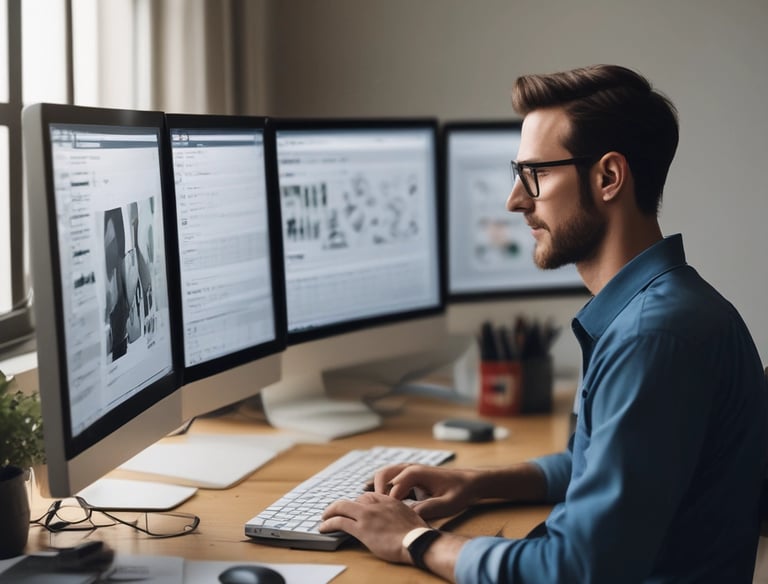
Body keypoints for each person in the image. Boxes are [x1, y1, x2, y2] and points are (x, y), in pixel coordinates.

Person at [319, 64, 768, 583]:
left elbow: (573, 569)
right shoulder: (658, 309)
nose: (515, 200)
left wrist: (412, 539)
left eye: (536, 173)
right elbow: (591, 463)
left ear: (608, 178)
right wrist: (473, 483)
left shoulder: (653, 336)